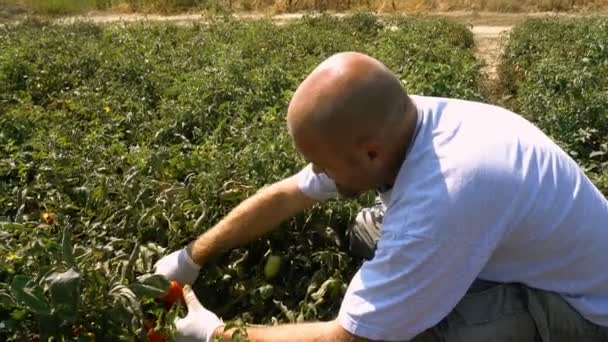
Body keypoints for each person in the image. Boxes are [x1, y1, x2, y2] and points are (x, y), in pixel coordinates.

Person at [154, 52, 608, 342]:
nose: (315, 173)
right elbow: (288, 194)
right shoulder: (403, 123)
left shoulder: (443, 197)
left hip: (584, 311)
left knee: (413, 333)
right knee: (367, 228)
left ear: (370, 153)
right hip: (517, 243)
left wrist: (217, 333)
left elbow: (348, 338)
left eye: (322, 163)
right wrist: (192, 256)